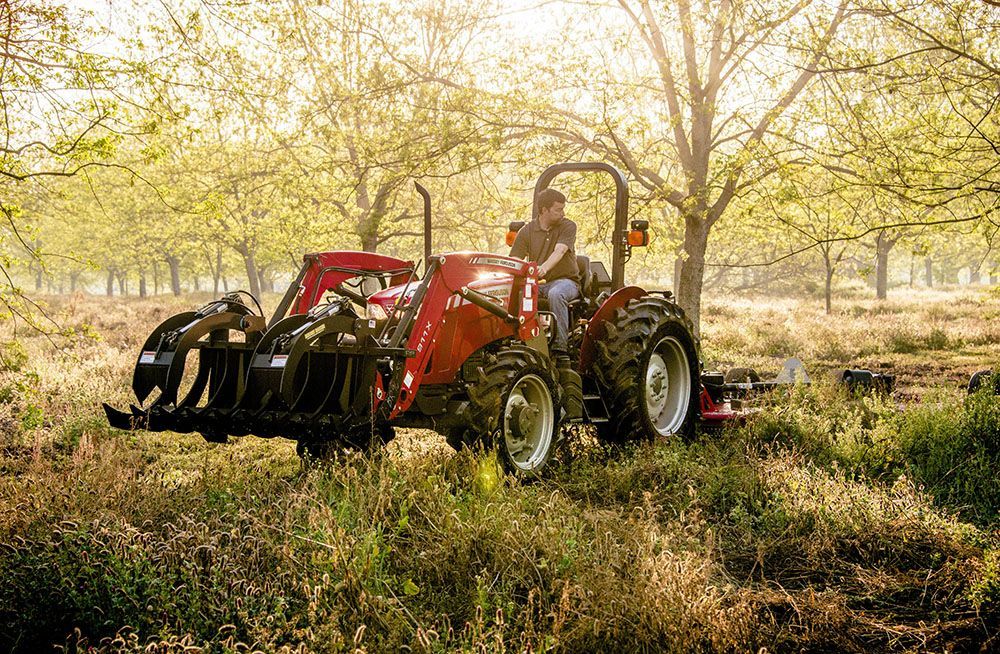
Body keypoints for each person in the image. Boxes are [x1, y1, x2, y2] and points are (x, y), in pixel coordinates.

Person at [509, 188, 579, 358]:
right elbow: (514, 261)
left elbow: (560, 251)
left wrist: (543, 268)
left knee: (556, 294)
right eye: (558, 209)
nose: (562, 213)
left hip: (565, 281)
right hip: (538, 283)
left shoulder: (568, 226)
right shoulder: (527, 231)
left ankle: (559, 348)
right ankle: (519, 340)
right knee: (515, 293)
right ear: (544, 210)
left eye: (563, 209)